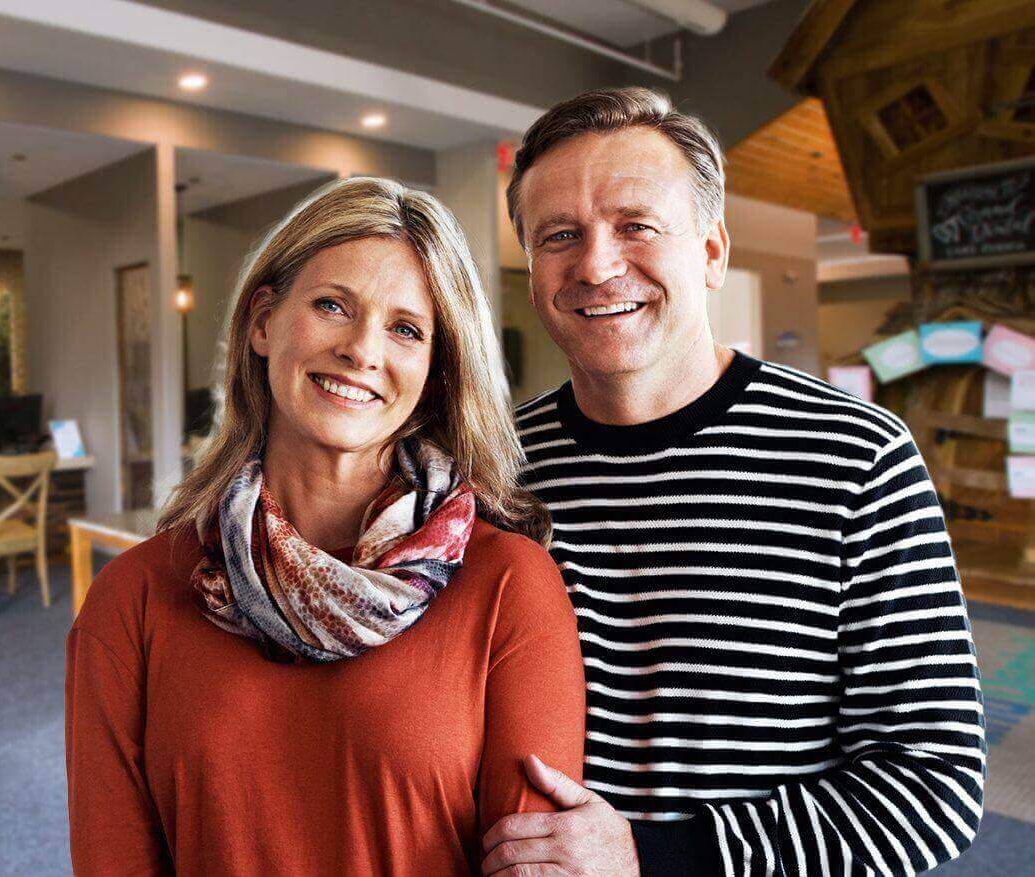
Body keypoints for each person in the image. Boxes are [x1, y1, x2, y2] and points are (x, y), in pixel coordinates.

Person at [482, 87, 985, 876]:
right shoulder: (497, 467)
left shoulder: (856, 455)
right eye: (560, 236)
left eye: (636, 225)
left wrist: (652, 857)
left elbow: (932, 785)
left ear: (712, 252)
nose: (596, 264)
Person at [66, 177, 586, 874]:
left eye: (406, 328)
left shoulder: (508, 586)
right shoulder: (133, 597)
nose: (362, 349)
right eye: (333, 305)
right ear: (262, 322)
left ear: (433, 371)